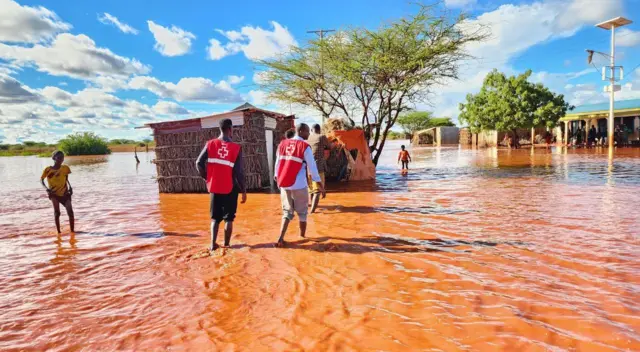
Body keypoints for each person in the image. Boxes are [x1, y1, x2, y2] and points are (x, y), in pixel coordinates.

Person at [196, 118, 247, 252]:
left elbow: (198, 163)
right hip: (230, 187)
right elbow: (238, 172)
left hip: (214, 186)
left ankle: (212, 244)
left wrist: (207, 178)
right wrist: (244, 190)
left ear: (220, 129)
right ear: (230, 129)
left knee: (215, 218)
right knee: (229, 218)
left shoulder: (210, 144)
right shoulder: (236, 148)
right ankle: (227, 245)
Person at [274, 123, 324, 247]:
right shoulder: (304, 146)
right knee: (302, 213)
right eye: (307, 131)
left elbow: (277, 165)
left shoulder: (282, 144)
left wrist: (277, 179)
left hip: (284, 184)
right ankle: (302, 237)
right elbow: (313, 169)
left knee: (287, 212)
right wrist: (320, 186)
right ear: (301, 131)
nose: (308, 134)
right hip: (299, 185)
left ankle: (280, 238)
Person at [41, 151, 74, 233]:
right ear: (53, 158)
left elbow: (66, 179)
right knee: (57, 213)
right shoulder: (48, 169)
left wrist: (70, 187)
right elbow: (41, 180)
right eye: (58, 157)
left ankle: (72, 232)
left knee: (70, 212)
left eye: (62, 157)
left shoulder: (65, 168)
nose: (61, 159)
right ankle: (59, 232)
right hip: (54, 194)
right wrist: (46, 189)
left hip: (65, 193)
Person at [307, 124, 332, 213]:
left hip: (307, 168)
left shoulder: (307, 138)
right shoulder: (321, 137)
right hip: (318, 166)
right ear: (319, 130)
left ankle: (310, 209)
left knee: (311, 190)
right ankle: (312, 211)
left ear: (311, 129)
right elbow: (329, 146)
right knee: (318, 191)